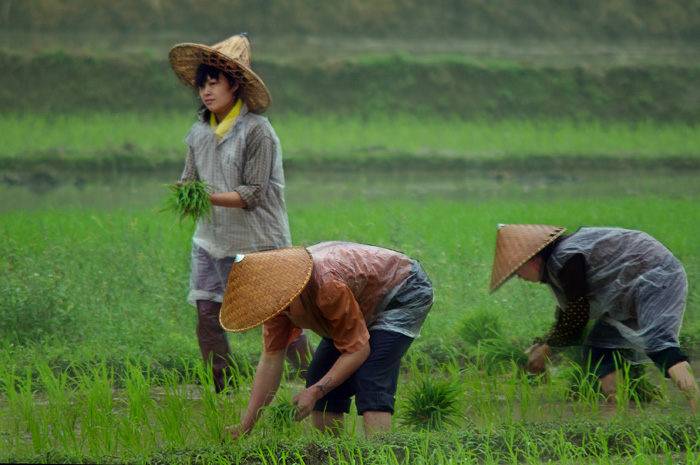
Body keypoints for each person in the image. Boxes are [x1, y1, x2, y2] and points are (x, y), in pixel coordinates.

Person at [168, 33, 313, 393]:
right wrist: (186, 194)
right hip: (211, 239)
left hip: (259, 243)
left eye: (213, 83)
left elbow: (253, 194)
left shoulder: (258, 132)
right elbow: (189, 179)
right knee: (206, 312)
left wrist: (206, 198)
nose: (206, 91)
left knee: (280, 319)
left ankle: (316, 383)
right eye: (201, 84)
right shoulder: (199, 132)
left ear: (234, 85)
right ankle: (224, 388)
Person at [218, 241, 434, 438]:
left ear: (294, 290)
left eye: (283, 306)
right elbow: (271, 361)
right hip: (359, 301)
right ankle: (332, 454)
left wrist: (314, 392)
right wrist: (246, 425)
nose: (280, 313)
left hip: (402, 291)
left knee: (371, 374)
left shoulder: (326, 287)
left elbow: (358, 350)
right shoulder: (276, 307)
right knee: (319, 375)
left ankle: (379, 456)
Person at [490, 224, 700, 411]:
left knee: (659, 345)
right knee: (599, 347)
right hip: (628, 290)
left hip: (656, 276)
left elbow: (577, 318)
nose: (518, 276)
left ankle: (697, 406)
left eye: (517, 269)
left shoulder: (565, 259)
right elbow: (568, 313)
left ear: (533, 257)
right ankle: (622, 412)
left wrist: (544, 352)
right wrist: (541, 346)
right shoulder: (557, 264)